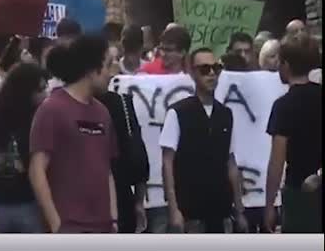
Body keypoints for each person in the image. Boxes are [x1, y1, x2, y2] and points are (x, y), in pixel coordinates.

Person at [29, 34, 119, 233]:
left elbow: (107, 170)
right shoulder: (52, 109)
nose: (111, 73)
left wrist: (113, 219)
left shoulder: (103, 112)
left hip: (103, 227)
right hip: (69, 227)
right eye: (108, 64)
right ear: (91, 69)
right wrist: (55, 223)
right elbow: (37, 170)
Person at [160, 48, 247, 233]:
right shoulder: (178, 112)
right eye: (204, 69)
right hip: (191, 212)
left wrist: (239, 209)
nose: (212, 74)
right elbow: (168, 162)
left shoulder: (225, 114)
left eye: (216, 68)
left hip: (222, 210)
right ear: (192, 72)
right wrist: (174, 209)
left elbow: (230, 162)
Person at [264, 36, 322, 233]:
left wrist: (270, 205)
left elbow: (277, 161)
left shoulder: (283, 106)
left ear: (286, 65)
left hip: (298, 193)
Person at [94, 45, 149, 233]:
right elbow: (138, 157)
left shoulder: (121, 103)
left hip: (109, 202)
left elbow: (137, 156)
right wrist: (139, 202)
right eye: (109, 64)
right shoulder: (121, 104)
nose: (112, 73)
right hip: (117, 201)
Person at [0, 63, 48, 233]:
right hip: (30, 205)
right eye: (41, 89)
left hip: (2, 205)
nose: (46, 94)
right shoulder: (34, 123)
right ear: (27, 92)